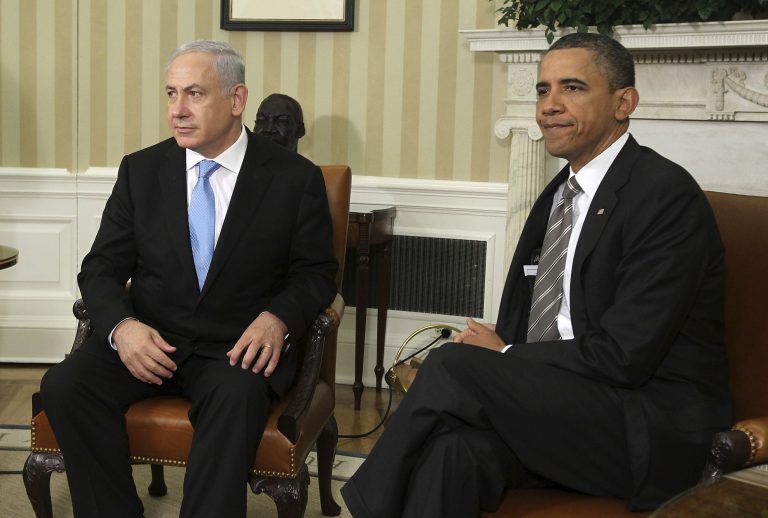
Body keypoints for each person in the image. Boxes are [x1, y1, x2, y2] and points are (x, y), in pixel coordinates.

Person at [341, 32, 732, 517]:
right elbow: (526, 319)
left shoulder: (665, 196)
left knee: (447, 366)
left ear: (623, 102)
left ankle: (363, 506)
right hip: (565, 409)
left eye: (572, 88)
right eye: (543, 90)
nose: (550, 105)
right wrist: (502, 344)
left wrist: (505, 355)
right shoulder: (558, 196)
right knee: (452, 454)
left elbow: (626, 357)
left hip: (647, 426)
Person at [40, 40, 337, 518]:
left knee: (235, 397)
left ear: (236, 99)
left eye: (194, 94)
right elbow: (100, 267)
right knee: (65, 385)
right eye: (171, 93)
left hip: (236, 348)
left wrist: (278, 319)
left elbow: (317, 273)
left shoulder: (293, 178)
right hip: (152, 339)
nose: (177, 110)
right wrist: (123, 329)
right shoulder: (141, 170)